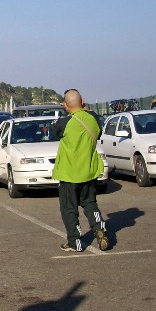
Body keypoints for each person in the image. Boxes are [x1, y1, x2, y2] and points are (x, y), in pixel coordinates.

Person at [53, 89, 110, 252]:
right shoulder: (93, 119)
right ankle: (99, 228)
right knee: (90, 203)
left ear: (65, 105)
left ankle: (75, 241)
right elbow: (98, 133)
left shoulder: (65, 123)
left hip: (69, 173)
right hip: (89, 171)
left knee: (69, 208)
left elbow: (54, 132)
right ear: (82, 101)